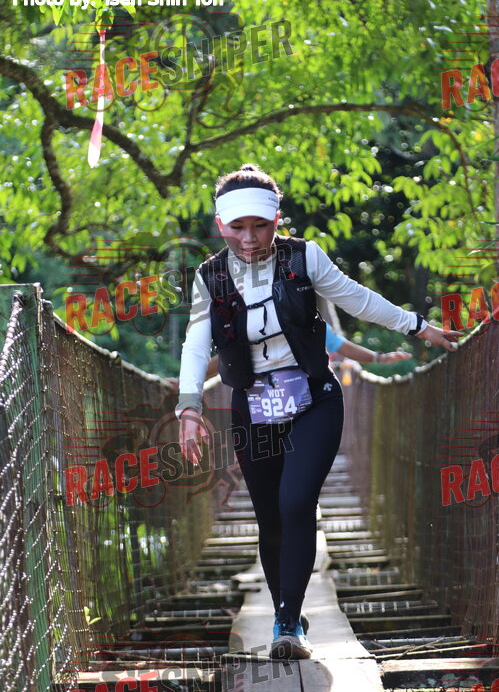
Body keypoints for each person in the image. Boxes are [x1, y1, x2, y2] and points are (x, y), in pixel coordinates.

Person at [175, 163, 460, 660]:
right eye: (237, 227)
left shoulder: (303, 257)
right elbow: (197, 345)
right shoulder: (209, 277)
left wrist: (418, 326)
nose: (249, 238)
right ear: (220, 225)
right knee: (270, 518)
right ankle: (286, 610)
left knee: (296, 500)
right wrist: (189, 407)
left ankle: (288, 624)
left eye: (260, 225)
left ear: (276, 220)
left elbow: (357, 298)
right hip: (253, 406)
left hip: (314, 398)